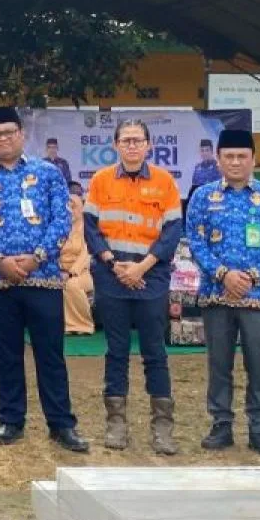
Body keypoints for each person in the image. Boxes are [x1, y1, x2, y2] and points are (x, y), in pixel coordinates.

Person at [0, 107, 88, 452]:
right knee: (7, 354)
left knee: (51, 354)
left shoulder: (48, 174)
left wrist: (37, 258)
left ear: (22, 134)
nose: (4, 139)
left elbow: (61, 220)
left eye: (9, 132)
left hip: (43, 278)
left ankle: (61, 424)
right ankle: (10, 420)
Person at [186, 128, 260, 459]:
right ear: (217, 160)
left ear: (254, 159)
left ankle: (259, 428)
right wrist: (223, 274)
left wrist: (251, 276)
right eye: (228, 156)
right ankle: (221, 424)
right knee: (219, 364)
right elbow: (195, 241)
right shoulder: (203, 197)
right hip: (217, 295)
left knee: (259, 365)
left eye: (242, 156)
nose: (235, 162)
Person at [83, 119, 183, 455]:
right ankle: (116, 423)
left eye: (137, 140)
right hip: (111, 277)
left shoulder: (165, 182)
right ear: (115, 145)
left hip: (151, 278)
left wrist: (141, 267)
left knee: (155, 351)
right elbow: (91, 229)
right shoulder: (100, 181)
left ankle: (162, 428)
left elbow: (171, 233)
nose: (131, 145)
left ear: (148, 145)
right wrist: (114, 264)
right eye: (125, 140)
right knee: (116, 350)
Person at [60, 182, 95, 335]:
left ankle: (83, 325)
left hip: (83, 272)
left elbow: (87, 253)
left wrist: (71, 272)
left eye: (74, 206)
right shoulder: (58, 227)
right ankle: (66, 325)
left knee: (72, 284)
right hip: (58, 271)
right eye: (67, 207)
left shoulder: (88, 228)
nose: (71, 210)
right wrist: (58, 270)